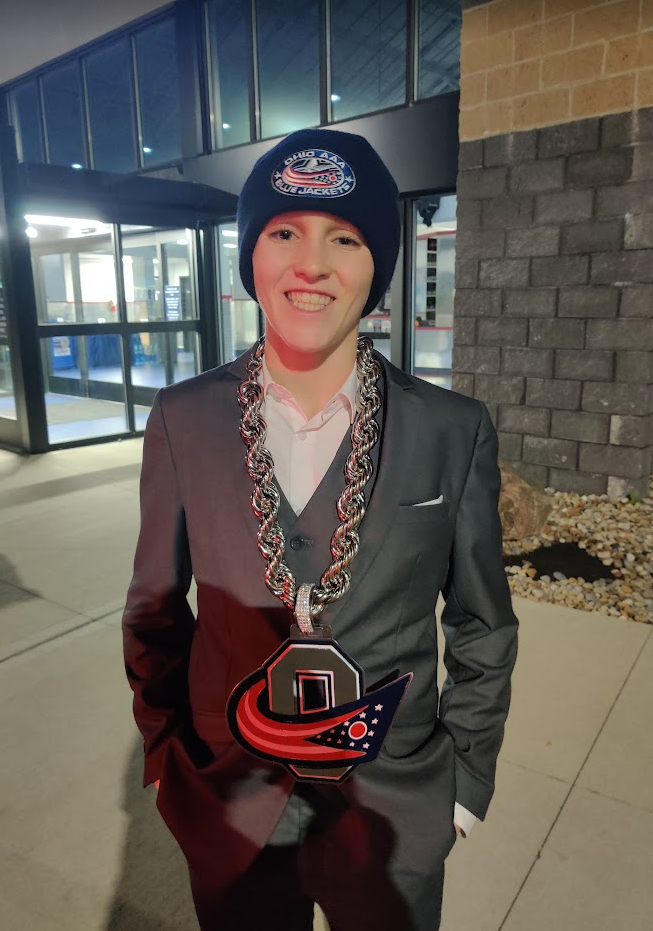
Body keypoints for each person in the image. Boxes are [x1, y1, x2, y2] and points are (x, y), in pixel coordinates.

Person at [122, 128, 518, 931]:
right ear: (250, 256)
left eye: (344, 238)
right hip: (229, 801)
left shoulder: (451, 429)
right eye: (283, 233)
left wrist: (466, 784)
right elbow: (154, 610)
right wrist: (166, 758)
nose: (311, 264)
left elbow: (482, 621)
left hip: (392, 808)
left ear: (376, 267)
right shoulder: (182, 419)